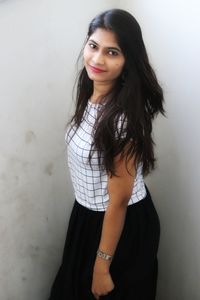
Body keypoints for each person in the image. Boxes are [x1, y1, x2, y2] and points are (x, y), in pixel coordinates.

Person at [48, 8, 165, 300]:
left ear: (128, 62)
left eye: (112, 52)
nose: (97, 59)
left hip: (118, 224)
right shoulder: (92, 89)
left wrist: (101, 268)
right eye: (93, 46)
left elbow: (120, 200)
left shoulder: (122, 121)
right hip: (88, 215)